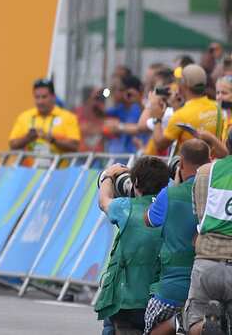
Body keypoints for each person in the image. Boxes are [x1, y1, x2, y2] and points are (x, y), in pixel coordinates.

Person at [94, 156, 170, 334]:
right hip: (163, 297)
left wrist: (108, 176)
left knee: (110, 327)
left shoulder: (126, 207)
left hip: (128, 298)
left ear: (135, 183)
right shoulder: (174, 207)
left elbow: (103, 201)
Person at [142, 139, 210, 335]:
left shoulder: (169, 194)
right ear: (210, 160)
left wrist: (174, 186)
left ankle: (177, 323)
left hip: (172, 289)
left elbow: (148, 219)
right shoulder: (216, 192)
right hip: (208, 285)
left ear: (180, 163)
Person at [183, 142, 232, 335]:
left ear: (227, 145)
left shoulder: (204, 172)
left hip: (207, 261)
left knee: (193, 319)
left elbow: (200, 216)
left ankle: (206, 327)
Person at [152, 64, 219, 156]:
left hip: (191, 167)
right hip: (214, 166)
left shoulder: (180, 115)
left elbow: (160, 144)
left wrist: (157, 118)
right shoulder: (217, 107)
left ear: (183, 85)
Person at [8, 78, 81, 154]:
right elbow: (12, 145)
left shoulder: (68, 117)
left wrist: (53, 140)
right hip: (29, 166)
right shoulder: (24, 117)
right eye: (37, 97)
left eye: (44, 97)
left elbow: (74, 146)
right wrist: (28, 138)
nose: (40, 102)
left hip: (58, 165)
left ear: (53, 97)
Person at [105, 75, 145, 153]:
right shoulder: (120, 108)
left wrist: (119, 126)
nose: (114, 93)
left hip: (139, 153)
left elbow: (140, 128)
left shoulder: (138, 107)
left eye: (120, 89)